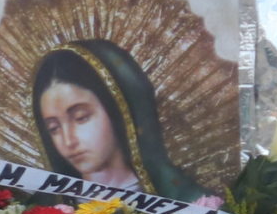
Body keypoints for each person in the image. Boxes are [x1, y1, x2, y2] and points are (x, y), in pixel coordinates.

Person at [31, 40, 207, 199]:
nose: (69, 141)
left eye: (81, 118)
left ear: (119, 112)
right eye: (54, 129)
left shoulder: (185, 200)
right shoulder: (45, 211)